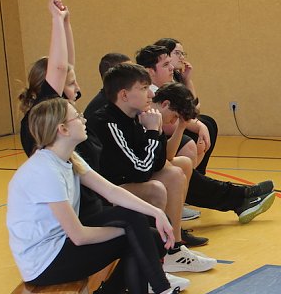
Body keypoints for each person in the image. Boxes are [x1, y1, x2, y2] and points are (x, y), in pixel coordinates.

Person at [6, 97, 206, 294]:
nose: (84, 119)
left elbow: (111, 191)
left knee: (145, 230)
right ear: (63, 129)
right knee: (134, 230)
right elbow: (79, 236)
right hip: (45, 262)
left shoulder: (69, 158)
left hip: (61, 246)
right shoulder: (44, 171)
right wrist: (128, 231)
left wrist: (156, 213)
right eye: (77, 116)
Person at [88, 63, 217, 272]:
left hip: (126, 179)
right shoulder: (107, 122)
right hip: (104, 192)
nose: (150, 94)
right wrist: (152, 132)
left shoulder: (136, 116)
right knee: (156, 189)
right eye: (143, 88)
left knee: (175, 171)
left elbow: (159, 162)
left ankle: (174, 247)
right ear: (124, 95)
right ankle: (157, 257)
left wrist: (156, 130)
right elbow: (140, 171)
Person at [137, 43, 275, 224]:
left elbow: (190, 110)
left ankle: (237, 197)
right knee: (182, 157)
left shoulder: (159, 93)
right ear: (150, 72)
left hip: (152, 161)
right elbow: (177, 122)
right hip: (143, 172)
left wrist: (188, 85)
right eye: (166, 64)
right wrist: (190, 126)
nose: (172, 67)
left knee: (199, 135)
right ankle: (239, 197)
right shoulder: (149, 99)